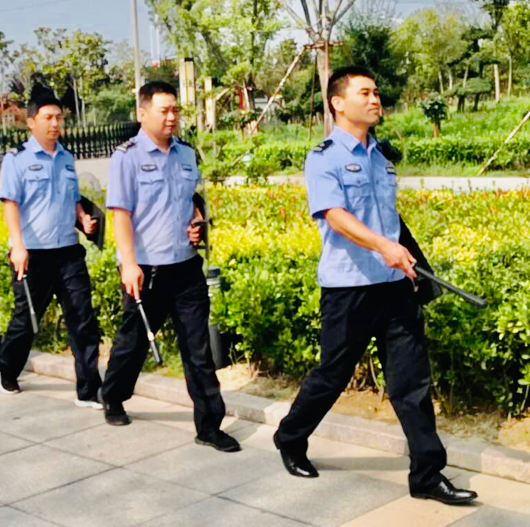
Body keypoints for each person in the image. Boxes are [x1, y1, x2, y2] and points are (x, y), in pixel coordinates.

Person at [273, 66, 477, 506]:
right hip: (349, 289)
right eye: (364, 93)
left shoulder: (382, 157)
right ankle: (290, 437)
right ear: (337, 103)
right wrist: (384, 246)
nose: (374, 99)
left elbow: (389, 219)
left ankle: (427, 475)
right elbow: (335, 216)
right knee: (332, 375)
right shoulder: (323, 158)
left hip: (394, 286)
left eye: (377, 92)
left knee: (411, 383)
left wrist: (406, 256)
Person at [100, 81, 240, 453]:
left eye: (175, 110)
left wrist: (198, 220)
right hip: (146, 269)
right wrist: (128, 263)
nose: (172, 117)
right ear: (142, 113)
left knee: (198, 350)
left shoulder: (186, 153)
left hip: (186, 268)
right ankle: (112, 394)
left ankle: (209, 426)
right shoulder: (126, 157)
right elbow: (120, 214)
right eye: (164, 110)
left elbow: (193, 199)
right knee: (133, 343)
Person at [0, 85, 103, 407]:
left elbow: (72, 199)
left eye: (59, 117)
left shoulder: (66, 158)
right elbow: (10, 204)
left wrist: (83, 218)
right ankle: (7, 366)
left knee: (83, 320)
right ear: (31, 122)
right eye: (48, 118)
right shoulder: (17, 160)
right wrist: (18, 246)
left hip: (68, 252)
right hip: (33, 254)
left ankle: (88, 390)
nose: (55, 124)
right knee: (27, 320)